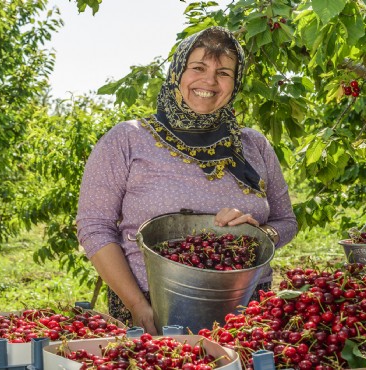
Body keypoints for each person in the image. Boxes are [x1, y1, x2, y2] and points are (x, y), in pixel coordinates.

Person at [76, 26, 298, 334]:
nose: (209, 81)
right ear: (177, 73)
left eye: (223, 72)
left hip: (246, 309)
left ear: (235, 83)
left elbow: (286, 221)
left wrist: (260, 234)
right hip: (154, 306)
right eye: (198, 68)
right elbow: (94, 227)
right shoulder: (128, 139)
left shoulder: (253, 145)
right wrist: (139, 307)